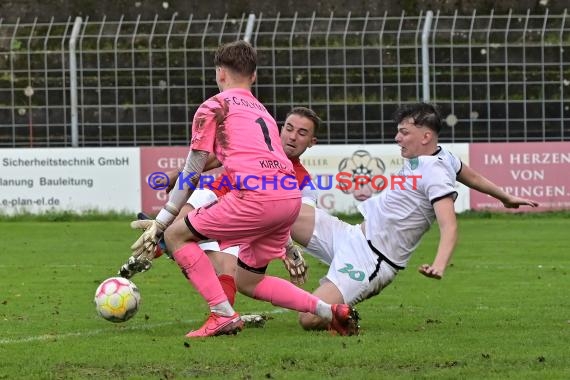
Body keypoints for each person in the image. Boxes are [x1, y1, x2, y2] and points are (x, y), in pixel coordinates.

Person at [128, 41, 358, 338]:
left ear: (220, 73)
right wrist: (287, 243)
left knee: (175, 235)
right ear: (254, 76)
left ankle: (222, 314)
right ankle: (330, 311)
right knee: (249, 281)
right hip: (289, 199)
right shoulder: (261, 111)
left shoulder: (214, 106)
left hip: (256, 198)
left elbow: (193, 170)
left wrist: (162, 222)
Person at [287, 102, 539, 331]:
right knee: (285, 213)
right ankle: (259, 257)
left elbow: (449, 226)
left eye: (404, 133)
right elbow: (469, 175)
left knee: (308, 318)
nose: (397, 138)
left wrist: (439, 264)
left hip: (372, 260)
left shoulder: (435, 174)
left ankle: (345, 313)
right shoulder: (443, 156)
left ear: (426, 136)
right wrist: (504, 196)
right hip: (352, 235)